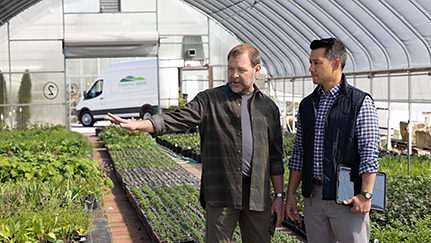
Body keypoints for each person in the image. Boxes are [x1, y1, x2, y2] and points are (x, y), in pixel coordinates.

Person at [104, 43, 285, 243]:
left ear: (256, 70)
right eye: (231, 69)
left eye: (241, 70)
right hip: (221, 192)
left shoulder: (268, 108)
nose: (234, 75)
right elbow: (177, 119)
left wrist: (279, 195)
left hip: (257, 195)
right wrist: (141, 125)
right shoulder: (209, 100)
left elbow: (275, 158)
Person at [285, 38, 380, 243]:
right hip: (313, 198)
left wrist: (366, 195)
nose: (310, 68)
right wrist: (290, 195)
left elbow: (369, 151)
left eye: (316, 63)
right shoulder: (307, 104)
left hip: (346, 197)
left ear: (336, 64)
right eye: (310, 62)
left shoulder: (360, 102)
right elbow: (299, 152)